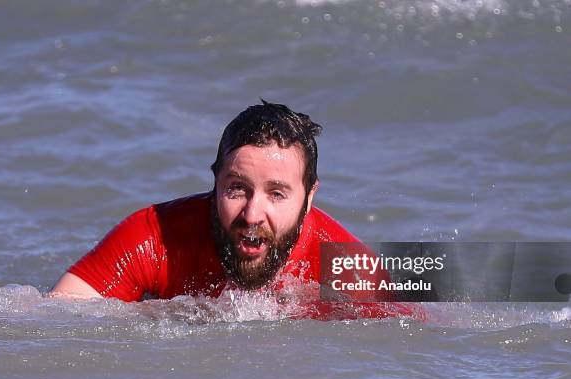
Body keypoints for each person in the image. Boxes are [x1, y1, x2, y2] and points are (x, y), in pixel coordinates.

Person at [51, 101, 418, 319]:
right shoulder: (154, 236)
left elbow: (435, 335)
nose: (252, 214)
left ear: (309, 199)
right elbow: (49, 321)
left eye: (277, 193)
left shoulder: (345, 265)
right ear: (215, 184)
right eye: (238, 189)